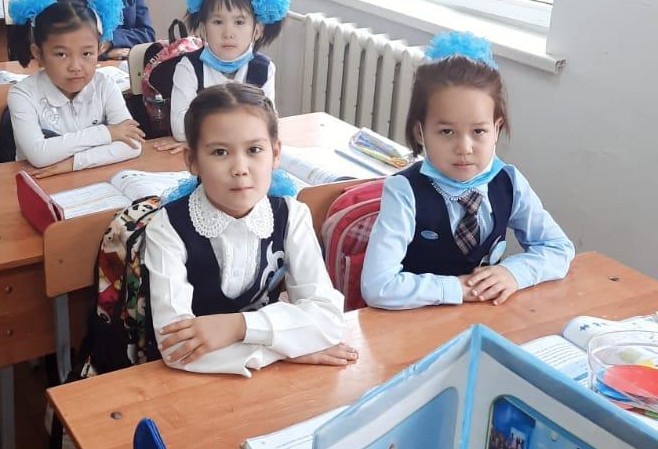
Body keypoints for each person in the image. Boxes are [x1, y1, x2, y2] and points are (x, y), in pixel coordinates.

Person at [144, 83, 357, 377]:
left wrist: (239, 326)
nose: (240, 168)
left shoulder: (292, 215)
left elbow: (329, 321)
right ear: (192, 161)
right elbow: (176, 349)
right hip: (185, 384)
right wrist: (291, 349)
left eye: (254, 150)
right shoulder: (167, 228)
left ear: (276, 153)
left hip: (262, 380)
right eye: (220, 152)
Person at [361, 31, 574, 310]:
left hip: (489, 318)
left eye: (479, 131)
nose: (464, 147)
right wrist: (455, 288)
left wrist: (515, 273)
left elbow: (559, 247)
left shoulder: (509, 182)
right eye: (446, 131)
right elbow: (377, 286)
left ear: (496, 129)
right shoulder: (404, 192)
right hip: (417, 321)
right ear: (420, 131)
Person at [6, 0, 144, 175]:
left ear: (100, 49)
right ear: (38, 53)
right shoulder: (22, 94)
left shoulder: (105, 85)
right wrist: (108, 133)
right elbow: (39, 154)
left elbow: (133, 144)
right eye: (61, 54)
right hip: (42, 184)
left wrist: (73, 163)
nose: (75, 66)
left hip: (95, 181)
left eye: (86, 53)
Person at [167, 0, 289, 142]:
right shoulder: (189, 67)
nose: (228, 33)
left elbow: (268, 124)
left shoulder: (264, 69)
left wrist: (201, 132)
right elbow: (180, 129)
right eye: (218, 22)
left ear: (257, 30)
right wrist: (246, 122)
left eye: (239, 22)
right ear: (203, 29)